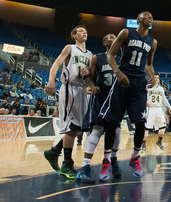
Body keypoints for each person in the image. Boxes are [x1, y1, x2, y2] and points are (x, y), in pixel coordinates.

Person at [97, 11, 157, 179]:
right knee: (112, 123)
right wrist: (117, 72)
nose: (150, 17)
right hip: (122, 80)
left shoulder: (153, 42)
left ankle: (135, 157)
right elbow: (110, 55)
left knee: (140, 123)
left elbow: (149, 65)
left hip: (139, 85)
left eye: (151, 16)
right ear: (138, 19)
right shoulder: (126, 33)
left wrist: (153, 76)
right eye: (146, 15)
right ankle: (106, 161)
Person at [43, 25, 94, 179]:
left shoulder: (91, 54)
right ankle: (67, 164)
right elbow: (56, 64)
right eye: (80, 31)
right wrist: (51, 81)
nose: (84, 32)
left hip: (82, 91)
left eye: (85, 31)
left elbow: (91, 77)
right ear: (74, 35)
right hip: (69, 88)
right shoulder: (70, 48)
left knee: (79, 128)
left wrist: (89, 74)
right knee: (71, 127)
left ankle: (53, 152)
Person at [76, 33, 124, 183]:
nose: (113, 38)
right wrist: (92, 86)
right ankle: (85, 167)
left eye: (115, 37)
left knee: (116, 131)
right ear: (104, 43)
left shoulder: (123, 59)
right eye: (109, 37)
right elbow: (90, 77)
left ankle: (112, 160)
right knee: (97, 129)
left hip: (116, 100)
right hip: (100, 98)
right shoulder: (97, 58)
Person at [144, 74, 171, 151]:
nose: (156, 79)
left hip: (159, 109)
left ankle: (159, 141)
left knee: (163, 126)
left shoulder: (161, 88)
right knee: (146, 128)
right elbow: (142, 95)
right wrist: (145, 101)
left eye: (157, 78)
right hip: (150, 108)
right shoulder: (147, 87)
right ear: (151, 79)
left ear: (159, 79)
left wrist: (169, 106)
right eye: (155, 77)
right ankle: (143, 144)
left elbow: (164, 99)